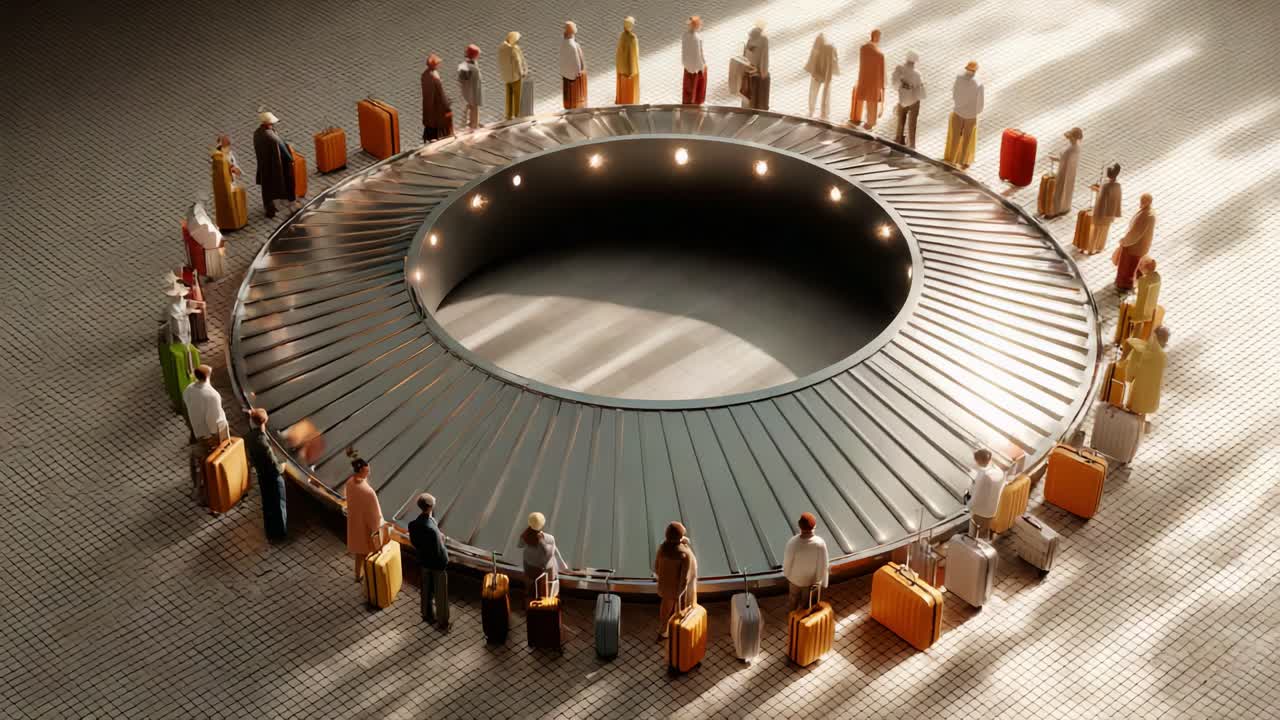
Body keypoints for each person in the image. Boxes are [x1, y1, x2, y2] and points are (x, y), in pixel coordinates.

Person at [183, 365, 228, 499]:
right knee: (212, 464)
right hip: (209, 435)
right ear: (208, 376)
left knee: (196, 461)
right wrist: (217, 438)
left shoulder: (189, 389)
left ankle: (197, 487)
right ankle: (212, 495)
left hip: (196, 430)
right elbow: (213, 420)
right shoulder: (212, 395)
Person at [408, 493, 450, 629]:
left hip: (424, 561)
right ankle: (442, 620)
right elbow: (439, 549)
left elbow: (415, 542)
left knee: (425, 589)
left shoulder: (413, 525)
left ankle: (426, 614)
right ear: (430, 507)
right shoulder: (432, 529)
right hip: (437, 564)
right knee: (440, 593)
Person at [246, 408, 287, 541]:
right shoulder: (262, 442)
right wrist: (283, 467)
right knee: (278, 505)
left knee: (267, 504)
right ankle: (280, 534)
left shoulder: (249, 437)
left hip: (262, 476)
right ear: (265, 422)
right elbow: (274, 465)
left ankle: (270, 533)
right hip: (273, 477)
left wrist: (252, 413)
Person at [343, 449, 384, 582]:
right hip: (366, 528)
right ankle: (369, 579)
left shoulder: (349, 483)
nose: (369, 472)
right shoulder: (368, 492)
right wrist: (379, 528)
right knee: (367, 553)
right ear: (362, 471)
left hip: (354, 523)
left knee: (358, 553)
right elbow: (376, 515)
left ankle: (357, 575)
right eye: (367, 470)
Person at [654, 521, 698, 639]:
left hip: (665, 585)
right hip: (678, 589)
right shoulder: (684, 555)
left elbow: (656, 567)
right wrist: (680, 591)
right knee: (678, 610)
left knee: (665, 607)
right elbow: (685, 577)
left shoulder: (662, 548)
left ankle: (663, 629)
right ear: (679, 538)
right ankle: (675, 630)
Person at [252, 110, 296, 219]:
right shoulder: (271, 136)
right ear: (267, 124)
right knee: (283, 181)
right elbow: (282, 147)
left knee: (266, 188)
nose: (273, 125)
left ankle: (269, 209)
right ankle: (289, 197)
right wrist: (290, 159)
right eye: (271, 123)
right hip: (274, 165)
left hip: (263, 164)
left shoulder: (257, 133)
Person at [782, 512, 829, 612]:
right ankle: (803, 620)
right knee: (806, 603)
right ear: (814, 526)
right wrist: (821, 580)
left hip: (794, 579)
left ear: (799, 526)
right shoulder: (819, 543)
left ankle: (791, 616)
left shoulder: (793, 542)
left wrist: (787, 574)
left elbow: (787, 562)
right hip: (810, 581)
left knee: (793, 599)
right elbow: (823, 564)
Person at [1118, 327, 1168, 416]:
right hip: (1150, 403)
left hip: (1134, 398)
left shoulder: (1139, 350)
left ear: (1153, 335)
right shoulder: (1162, 357)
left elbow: (1129, 374)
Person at [944, 61, 984, 169]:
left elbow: (954, 94)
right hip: (970, 115)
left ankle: (951, 160)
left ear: (966, 69)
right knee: (967, 139)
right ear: (976, 70)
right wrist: (974, 112)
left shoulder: (958, 78)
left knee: (955, 138)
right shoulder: (978, 84)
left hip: (957, 112)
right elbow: (980, 105)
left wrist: (958, 105)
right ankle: (961, 162)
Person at [1114, 193, 1155, 290]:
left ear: (1148, 202)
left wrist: (1124, 241)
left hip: (1134, 246)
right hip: (1139, 246)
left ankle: (1124, 285)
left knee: (1127, 266)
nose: (1140, 203)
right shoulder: (1150, 213)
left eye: (1143, 201)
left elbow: (1136, 234)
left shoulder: (1145, 216)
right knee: (1131, 266)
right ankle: (1126, 283)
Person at [518, 512, 563, 598]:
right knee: (553, 562)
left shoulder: (525, 535)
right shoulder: (548, 538)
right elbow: (548, 553)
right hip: (540, 569)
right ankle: (551, 592)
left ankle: (528, 593)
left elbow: (520, 545)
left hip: (528, 566)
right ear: (542, 524)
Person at [850, 29, 886, 130]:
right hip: (874, 82)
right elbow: (881, 72)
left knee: (866, 101)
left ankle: (865, 121)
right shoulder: (879, 54)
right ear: (875, 37)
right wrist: (882, 85)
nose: (879, 39)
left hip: (864, 79)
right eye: (879, 36)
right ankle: (870, 123)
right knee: (872, 103)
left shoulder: (863, 48)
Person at [965, 447, 1003, 539]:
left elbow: (977, 496)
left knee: (974, 535)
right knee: (984, 531)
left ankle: (973, 548)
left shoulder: (984, 476)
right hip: (992, 509)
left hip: (980, 512)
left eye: (976, 461)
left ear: (979, 461)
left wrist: (968, 505)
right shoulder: (999, 471)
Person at [1086, 163, 1124, 254]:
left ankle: (1091, 249)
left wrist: (1096, 189)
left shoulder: (1105, 186)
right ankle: (1100, 247)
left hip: (1101, 213)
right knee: (1104, 231)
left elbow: (1101, 200)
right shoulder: (1118, 185)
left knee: (1095, 230)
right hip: (1110, 213)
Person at [891, 51, 925, 148]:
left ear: (906, 58)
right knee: (912, 123)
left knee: (901, 120)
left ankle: (898, 139)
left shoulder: (899, 69)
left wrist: (903, 84)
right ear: (915, 62)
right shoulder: (917, 74)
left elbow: (894, 84)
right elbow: (920, 90)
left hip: (903, 99)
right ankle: (912, 144)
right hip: (914, 101)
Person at [1047, 127, 1084, 217]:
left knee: (1060, 189)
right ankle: (1066, 206)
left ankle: (1057, 210)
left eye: (1071, 137)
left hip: (1064, 172)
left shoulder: (1070, 149)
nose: (1069, 139)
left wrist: (1054, 158)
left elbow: (1063, 159)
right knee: (1068, 189)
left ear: (1074, 138)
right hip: (1071, 173)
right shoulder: (1077, 148)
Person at [804, 33, 839, 120]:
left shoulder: (818, 46)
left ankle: (812, 111)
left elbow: (812, 60)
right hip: (825, 73)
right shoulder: (830, 47)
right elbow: (834, 61)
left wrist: (812, 71)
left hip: (817, 73)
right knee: (826, 93)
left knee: (814, 92)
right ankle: (824, 113)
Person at [420, 53, 452, 142]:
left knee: (429, 121)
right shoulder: (434, 76)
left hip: (427, 102)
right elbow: (440, 92)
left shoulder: (424, 74)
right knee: (440, 120)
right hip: (436, 104)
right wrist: (446, 105)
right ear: (435, 64)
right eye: (438, 63)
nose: (439, 65)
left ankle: (429, 138)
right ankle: (440, 137)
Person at [740, 20, 770, 110]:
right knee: (763, 82)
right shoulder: (764, 39)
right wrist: (763, 72)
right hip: (756, 70)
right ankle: (759, 106)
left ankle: (746, 107)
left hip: (747, 69)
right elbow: (764, 57)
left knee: (747, 90)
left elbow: (746, 53)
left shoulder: (750, 38)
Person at [498, 31, 527, 120]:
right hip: (515, 76)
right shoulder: (512, 49)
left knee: (509, 96)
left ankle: (509, 115)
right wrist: (521, 73)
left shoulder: (501, 48)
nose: (518, 42)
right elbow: (517, 62)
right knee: (517, 95)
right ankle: (518, 115)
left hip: (506, 76)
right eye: (517, 40)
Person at [560, 21, 588, 109]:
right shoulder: (571, 45)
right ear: (571, 30)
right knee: (576, 96)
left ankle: (573, 105)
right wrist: (578, 72)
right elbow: (575, 61)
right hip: (575, 76)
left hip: (568, 75)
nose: (576, 27)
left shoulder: (566, 43)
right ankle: (576, 106)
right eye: (574, 26)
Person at [681, 16, 707, 105]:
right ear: (697, 26)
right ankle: (696, 101)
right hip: (697, 66)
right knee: (697, 85)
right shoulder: (697, 38)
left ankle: (687, 101)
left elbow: (684, 51)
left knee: (688, 85)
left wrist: (685, 63)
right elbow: (699, 53)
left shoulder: (685, 35)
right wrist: (702, 66)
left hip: (687, 65)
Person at [457, 44, 483, 130]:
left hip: (473, 91)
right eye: (477, 54)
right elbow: (463, 80)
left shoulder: (470, 64)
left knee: (472, 108)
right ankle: (473, 126)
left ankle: (473, 123)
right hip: (470, 92)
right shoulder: (466, 66)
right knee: (473, 108)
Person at [615, 17, 640, 104]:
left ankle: (622, 101)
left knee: (623, 89)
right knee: (630, 91)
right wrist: (631, 71)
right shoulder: (632, 37)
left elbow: (619, 53)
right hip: (631, 70)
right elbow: (632, 55)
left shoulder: (622, 35)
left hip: (622, 69)